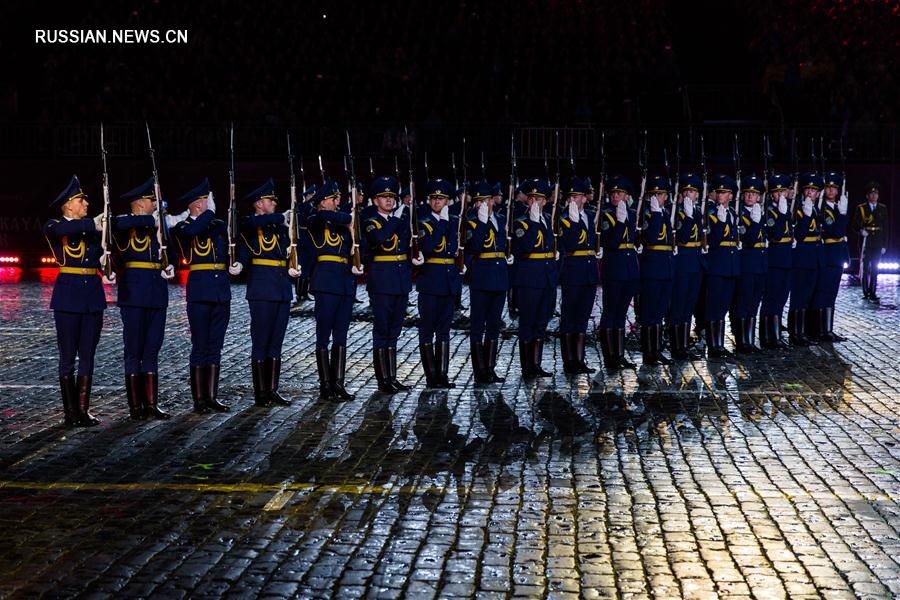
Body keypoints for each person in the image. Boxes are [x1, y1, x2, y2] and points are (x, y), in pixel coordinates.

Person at [43, 175, 108, 427]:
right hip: (68, 299)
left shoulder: (91, 232)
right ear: (68, 205)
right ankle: (70, 412)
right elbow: (63, 230)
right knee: (68, 356)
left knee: (88, 356)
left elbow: (102, 256)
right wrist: (93, 225)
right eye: (81, 201)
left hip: (92, 297)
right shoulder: (54, 225)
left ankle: (83, 410)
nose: (86, 205)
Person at [229, 178, 296, 407]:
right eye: (270, 200)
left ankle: (272, 389)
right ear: (259, 204)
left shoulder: (279, 228)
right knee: (261, 341)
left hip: (281, 288)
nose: (274, 204)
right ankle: (261, 393)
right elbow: (245, 238)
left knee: (276, 341)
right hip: (261, 289)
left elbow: (291, 249)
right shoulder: (250, 224)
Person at [113, 177, 175, 420]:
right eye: (151, 200)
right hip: (134, 295)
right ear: (139, 203)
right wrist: (157, 217)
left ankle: (150, 403)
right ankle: (135, 407)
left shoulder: (157, 226)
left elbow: (168, 250)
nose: (154, 205)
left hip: (156, 294)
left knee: (152, 348)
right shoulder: (123, 223)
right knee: (133, 350)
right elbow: (121, 228)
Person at [171, 178, 230, 413]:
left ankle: (211, 396)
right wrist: (207, 213)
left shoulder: (215, 223)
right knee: (200, 345)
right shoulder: (182, 227)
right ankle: (199, 400)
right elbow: (193, 230)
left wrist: (211, 213)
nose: (210, 204)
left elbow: (218, 226)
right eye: (206, 200)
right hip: (199, 292)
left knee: (215, 345)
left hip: (220, 291)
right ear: (197, 204)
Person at [306, 179, 359, 401]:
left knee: (341, 335)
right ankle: (325, 385)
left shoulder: (341, 224)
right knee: (323, 335)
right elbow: (325, 217)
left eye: (336, 198)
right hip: (326, 282)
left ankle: (337, 383)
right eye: (332, 199)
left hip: (345, 281)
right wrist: (348, 218)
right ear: (321, 202)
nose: (336, 202)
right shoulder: (315, 220)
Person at [363, 175, 413, 393]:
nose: (389, 200)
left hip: (400, 281)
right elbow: (380, 239)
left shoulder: (401, 220)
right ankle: (383, 379)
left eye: (392, 196)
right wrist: (396, 220)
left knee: (395, 330)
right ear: (375, 201)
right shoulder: (370, 222)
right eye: (384, 197)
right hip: (382, 282)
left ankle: (392, 377)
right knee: (382, 330)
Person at [416, 178, 462, 388]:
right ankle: (431, 375)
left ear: (448, 201)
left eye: (441, 199)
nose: (437, 202)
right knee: (427, 329)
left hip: (449, 279)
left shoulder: (454, 221)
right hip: (430, 281)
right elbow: (431, 247)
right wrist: (443, 223)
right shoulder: (424, 222)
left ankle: (442, 374)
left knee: (444, 329)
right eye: (434, 198)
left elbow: (457, 247)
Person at [465, 180, 510, 384]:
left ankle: (490, 368)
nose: (481, 205)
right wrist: (482, 223)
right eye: (478, 201)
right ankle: (479, 369)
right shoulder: (472, 222)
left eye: (485, 200)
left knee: (493, 325)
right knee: (477, 324)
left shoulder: (501, 220)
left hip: (499, 277)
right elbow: (475, 247)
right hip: (482, 278)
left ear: (493, 200)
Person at [512, 178, 556, 378]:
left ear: (545, 202)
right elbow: (528, 246)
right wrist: (534, 223)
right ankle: (527, 367)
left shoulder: (549, 219)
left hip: (547, 278)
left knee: (541, 321)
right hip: (529, 280)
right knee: (528, 322)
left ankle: (536, 364)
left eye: (539, 199)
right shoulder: (521, 223)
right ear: (527, 201)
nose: (535, 203)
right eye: (532, 199)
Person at [596, 175, 639, 369]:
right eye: (613, 193)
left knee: (621, 313)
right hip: (614, 267)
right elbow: (612, 242)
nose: (615, 196)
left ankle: (619, 355)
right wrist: (620, 222)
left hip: (629, 268)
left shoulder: (631, 213)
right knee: (610, 312)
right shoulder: (606, 215)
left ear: (626, 195)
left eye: (619, 193)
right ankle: (609, 357)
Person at [557, 176, 598, 373]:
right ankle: (569, 361)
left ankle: (580, 360)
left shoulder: (590, 216)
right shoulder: (564, 219)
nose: (574, 200)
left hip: (589, 272)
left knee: (582, 317)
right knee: (569, 316)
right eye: (571, 196)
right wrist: (573, 223)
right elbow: (571, 244)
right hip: (573, 272)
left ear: (584, 198)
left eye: (578, 196)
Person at [638, 174, 674, 365]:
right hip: (652, 269)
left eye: (660, 194)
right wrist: (656, 214)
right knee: (649, 313)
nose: (656, 198)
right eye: (653, 194)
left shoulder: (667, 214)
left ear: (666, 197)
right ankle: (648, 352)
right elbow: (652, 238)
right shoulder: (648, 215)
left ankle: (657, 349)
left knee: (659, 312)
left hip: (666, 268)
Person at [704, 174, 740, 357]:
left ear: (731, 196)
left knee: (724, 306)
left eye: (725, 193)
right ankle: (713, 346)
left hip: (731, 265)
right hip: (717, 265)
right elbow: (715, 240)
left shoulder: (733, 213)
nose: (721, 196)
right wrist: (720, 222)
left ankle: (719, 344)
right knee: (714, 306)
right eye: (719, 192)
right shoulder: (711, 214)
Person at [810, 171, 849, 341]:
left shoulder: (838, 206)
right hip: (828, 254)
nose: (831, 191)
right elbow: (835, 231)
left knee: (832, 293)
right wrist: (842, 214)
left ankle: (828, 329)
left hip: (838, 254)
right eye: (828, 188)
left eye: (834, 188)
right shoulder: (822, 209)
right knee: (823, 292)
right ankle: (819, 330)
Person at [669, 173, 705, 359]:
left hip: (695, 263)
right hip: (682, 263)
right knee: (679, 304)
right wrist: (689, 218)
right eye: (687, 191)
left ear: (697, 195)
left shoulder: (698, 211)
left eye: (693, 191)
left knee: (689, 305)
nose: (689, 194)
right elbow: (682, 236)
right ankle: (676, 347)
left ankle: (683, 345)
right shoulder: (678, 213)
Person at [730, 174, 767, 353]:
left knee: (754, 303)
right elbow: (750, 240)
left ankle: (750, 340)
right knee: (744, 302)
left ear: (759, 197)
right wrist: (754, 222)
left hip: (760, 264)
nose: (750, 197)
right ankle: (742, 341)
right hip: (747, 264)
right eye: (747, 193)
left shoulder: (761, 212)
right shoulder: (740, 215)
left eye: (754, 194)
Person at [787, 173, 824, 346]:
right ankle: (795, 332)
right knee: (799, 296)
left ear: (818, 194)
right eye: (807, 190)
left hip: (813, 257)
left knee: (807, 296)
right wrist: (807, 216)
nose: (810, 193)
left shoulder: (815, 208)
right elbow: (800, 235)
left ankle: (804, 331)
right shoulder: (799, 210)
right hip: (801, 258)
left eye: (813, 190)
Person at [759, 173, 793, 349]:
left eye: (783, 192)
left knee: (781, 298)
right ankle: (767, 337)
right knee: (771, 298)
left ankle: (776, 334)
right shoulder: (771, 212)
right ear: (772, 195)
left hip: (786, 259)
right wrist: (781, 214)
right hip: (774, 260)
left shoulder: (785, 210)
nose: (780, 195)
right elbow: (777, 234)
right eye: (777, 192)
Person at [852, 181, 888, 303]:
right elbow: (854, 224)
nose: (873, 196)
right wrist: (861, 231)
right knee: (865, 267)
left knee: (875, 268)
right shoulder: (861, 208)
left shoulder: (882, 208)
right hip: (865, 241)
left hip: (877, 241)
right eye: (871, 194)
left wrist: (884, 245)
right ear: (867, 196)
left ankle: (873, 291)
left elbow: (886, 228)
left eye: (875, 194)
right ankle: (865, 291)